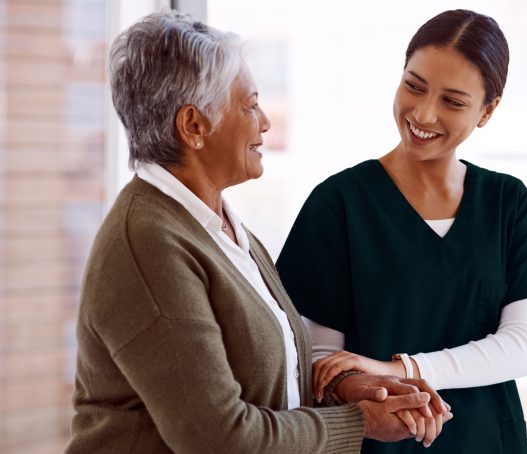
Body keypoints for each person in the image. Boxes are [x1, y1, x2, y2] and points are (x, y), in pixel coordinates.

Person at [65, 10, 451, 454]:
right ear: (194, 126)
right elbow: (218, 438)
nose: (265, 121)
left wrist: (346, 389)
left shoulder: (219, 227)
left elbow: (268, 381)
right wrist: (357, 421)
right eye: (249, 105)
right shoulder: (149, 243)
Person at [277, 9, 527, 454]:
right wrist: (368, 383)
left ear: (487, 111)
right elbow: (322, 362)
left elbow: (521, 348)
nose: (423, 113)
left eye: (453, 101)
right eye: (414, 86)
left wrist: (398, 368)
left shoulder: (507, 203)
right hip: (375, 443)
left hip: (488, 439)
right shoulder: (338, 203)